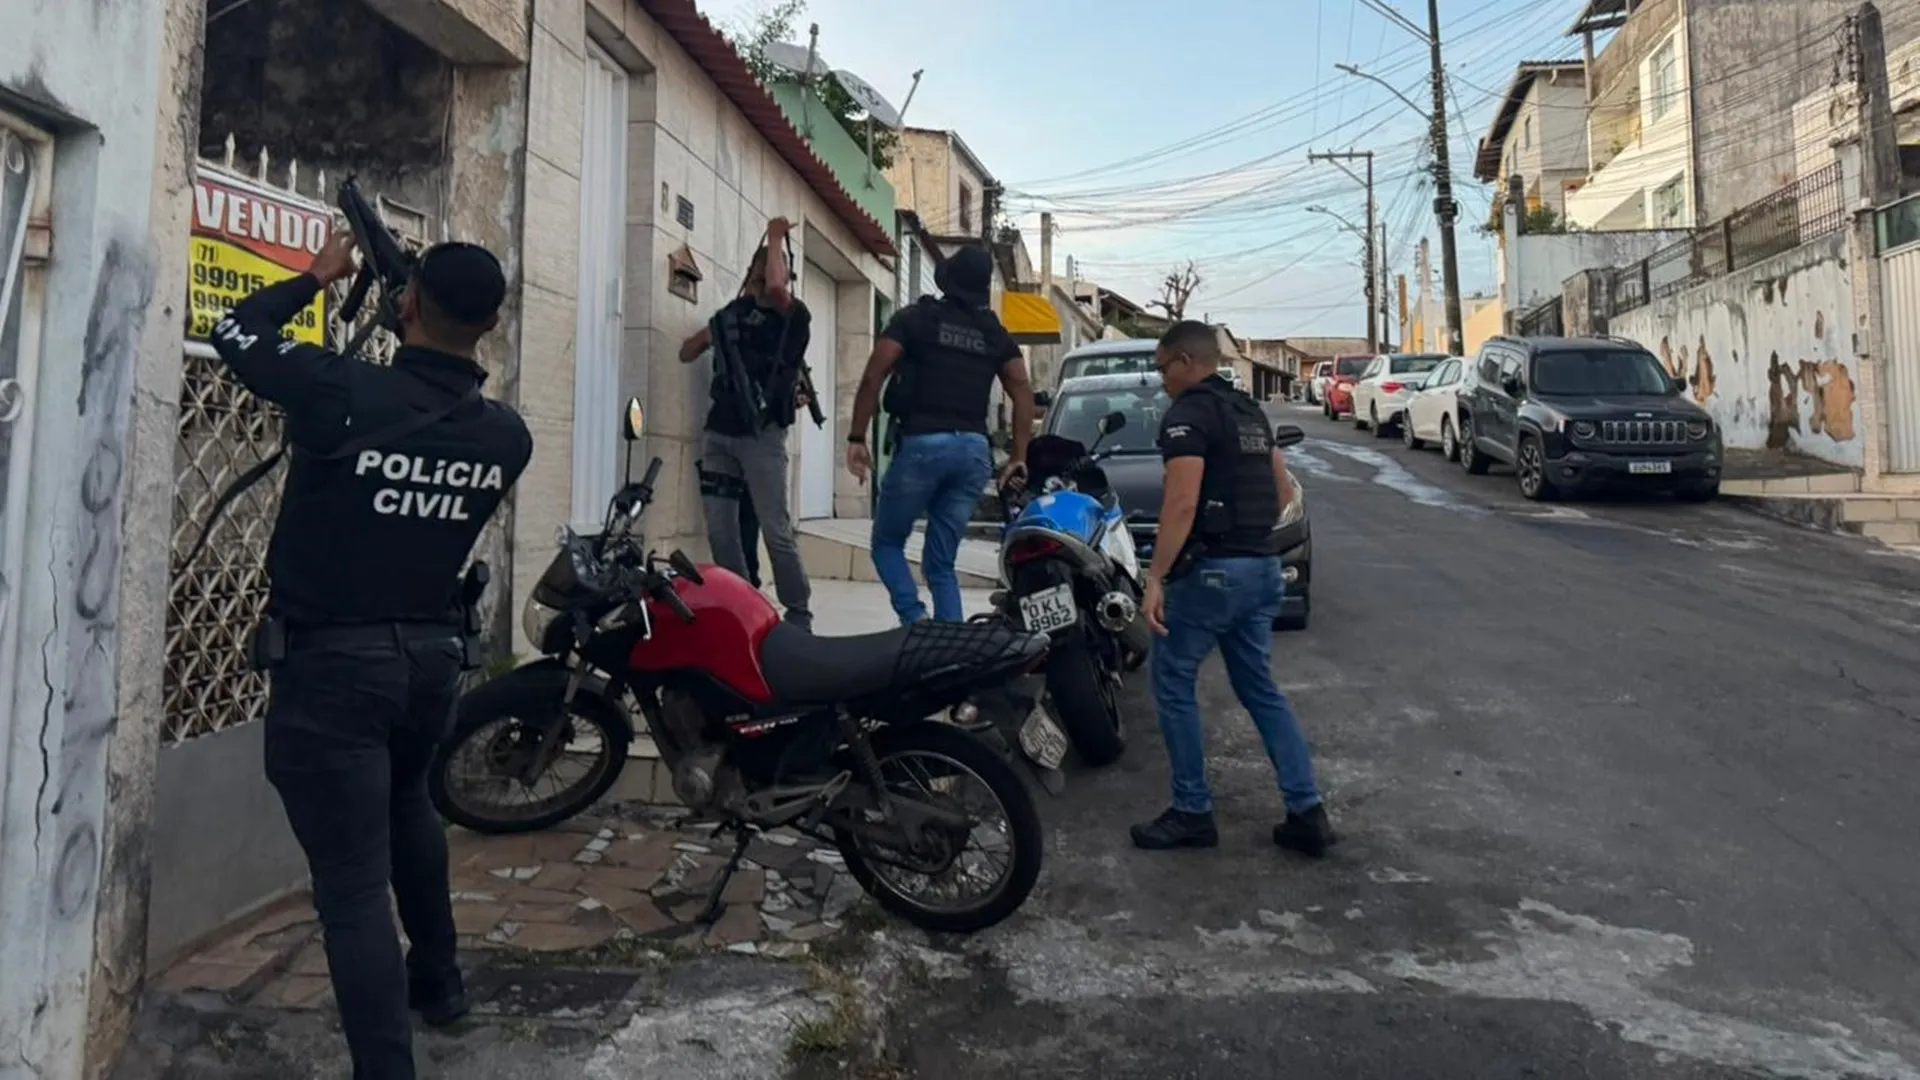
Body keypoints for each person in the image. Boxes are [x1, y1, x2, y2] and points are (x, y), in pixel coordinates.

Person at [209, 232, 533, 1079]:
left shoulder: (341, 392)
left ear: (408, 304)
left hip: (334, 673)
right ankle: (441, 984)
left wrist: (316, 278)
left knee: (352, 886)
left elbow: (235, 330)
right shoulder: (507, 437)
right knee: (409, 813)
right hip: (428, 662)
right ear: (494, 321)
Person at [1130, 320, 1334, 856]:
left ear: (1183, 362)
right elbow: (1283, 488)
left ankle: (1192, 811)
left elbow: (1180, 504)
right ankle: (1306, 810)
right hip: (1261, 568)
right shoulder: (1249, 412)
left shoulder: (1189, 414)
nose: (1161, 380)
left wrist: (1155, 578)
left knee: (1172, 681)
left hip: (1212, 574)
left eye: (1161, 368)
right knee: (1260, 689)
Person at [845, 245, 1033, 625]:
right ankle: (951, 644)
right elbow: (1022, 388)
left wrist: (856, 437)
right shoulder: (993, 332)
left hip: (922, 445)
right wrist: (1019, 455)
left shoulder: (915, 319)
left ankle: (916, 621)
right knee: (941, 562)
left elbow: (873, 375)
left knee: (886, 543)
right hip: (973, 453)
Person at [680, 217, 812, 628]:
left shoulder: (794, 316)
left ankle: (798, 611)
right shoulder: (732, 315)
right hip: (719, 432)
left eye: (776, 271)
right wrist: (720, 329)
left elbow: (775, 290)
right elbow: (687, 351)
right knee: (721, 531)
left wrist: (775, 236)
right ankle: (741, 606)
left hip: (763, 435)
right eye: (763, 271)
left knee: (775, 530)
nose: (769, 281)